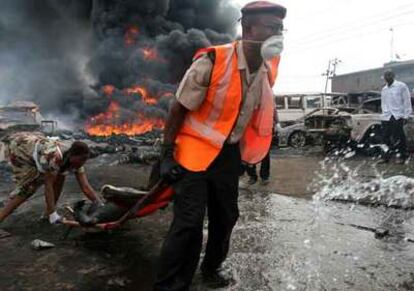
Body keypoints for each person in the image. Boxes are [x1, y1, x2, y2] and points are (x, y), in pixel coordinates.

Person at [154, 1, 286, 290]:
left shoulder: (266, 69)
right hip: (192, 150)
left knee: (226, 217)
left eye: (281, 29)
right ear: (248, 28)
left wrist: (244, 152)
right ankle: (170, 285)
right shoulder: (213, 61)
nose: (279, 35)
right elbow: (178, 108)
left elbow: (250, 112)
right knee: (189, 223)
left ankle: (211, 268)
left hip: (227, 154)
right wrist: (166, 154)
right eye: (272, 28)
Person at [0, 132, 102, 225]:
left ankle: (47, 214)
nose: (83, 162)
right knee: (28, 189)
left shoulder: (76, 160)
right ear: (73, 156)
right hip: (21, 149)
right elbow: (48, 187)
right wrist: (53, 215)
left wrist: (99, 203)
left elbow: (85, 186)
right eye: (82, 159)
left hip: (38, 148)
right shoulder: (54, 158)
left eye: (85, 159)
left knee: (61, 177)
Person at [379, 70, 412, 164]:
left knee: (398, 137)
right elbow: (383, 102)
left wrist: (406, 115)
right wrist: (384, 113)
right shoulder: (384, 89)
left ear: (393, 76)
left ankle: (402, 156)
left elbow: (406, 100)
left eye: (389, 75)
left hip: (398, 115)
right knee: (384, 138)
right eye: (385, 76)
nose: (387, 77)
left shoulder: (401, 86)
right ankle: (385, 157)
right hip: (386, 115)